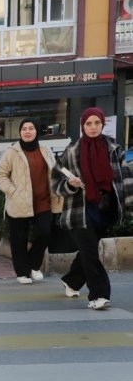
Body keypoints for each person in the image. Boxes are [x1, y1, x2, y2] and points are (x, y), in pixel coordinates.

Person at [51, 107, 133, 310]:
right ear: (83, 126)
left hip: (105, 208)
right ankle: (99, 295)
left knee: (88, 251)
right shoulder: (72, 151)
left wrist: (129, 204)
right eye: (89, 123)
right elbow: (56, 182)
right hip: (80, 210)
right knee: (90, 253)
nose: (93, 127)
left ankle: (71, 280)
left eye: (97, 123)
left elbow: (127, 178)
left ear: (102, 124)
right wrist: (71, 185)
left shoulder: (114, 148)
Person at [0, 119, 61, 284]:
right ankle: (22, 273)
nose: (27, 131)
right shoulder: (12, 152)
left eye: (31, 128)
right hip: (19, 202)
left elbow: (56, 172)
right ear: (20, 133)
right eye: (24, 129)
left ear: (37, 131)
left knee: (45, 233)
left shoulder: (45, 150)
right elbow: (0, 175)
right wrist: (13, 191)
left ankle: (33, 264)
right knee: (19, 239)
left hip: (43, 201)